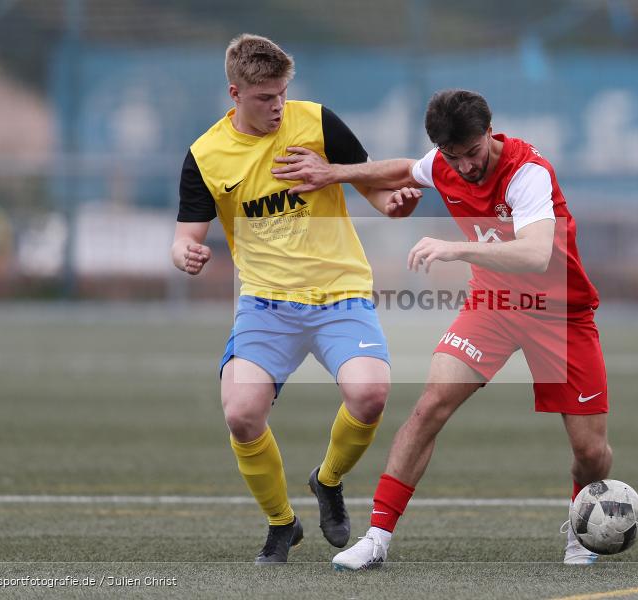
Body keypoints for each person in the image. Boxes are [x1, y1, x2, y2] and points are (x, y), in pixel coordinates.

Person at [271, 89, 612, 568]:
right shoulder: (445, 163)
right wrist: (335, 173)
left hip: (560, 313)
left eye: (473, 154)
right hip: (493, 305)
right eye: (454, 157)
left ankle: (581, 533)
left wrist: (456, 249)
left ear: (489, 133)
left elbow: (536, 255)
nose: (466, 167)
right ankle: (376, 539)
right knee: (430, 404)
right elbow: (402, 169)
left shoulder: (527, 173)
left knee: (590, 452)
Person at [172, 34, 406, 564]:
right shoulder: (206, 155)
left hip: (339, 294)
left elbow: (374, 187)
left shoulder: (317, 123)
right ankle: (282, 524)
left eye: (282, 93)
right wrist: (184, 253)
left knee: (371, 394)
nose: (277, 106)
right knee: (241, 413)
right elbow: (186, 235)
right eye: (264, 97)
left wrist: (397, 204)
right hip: (266, 305)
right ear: (235, 92)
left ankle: (328, 480)